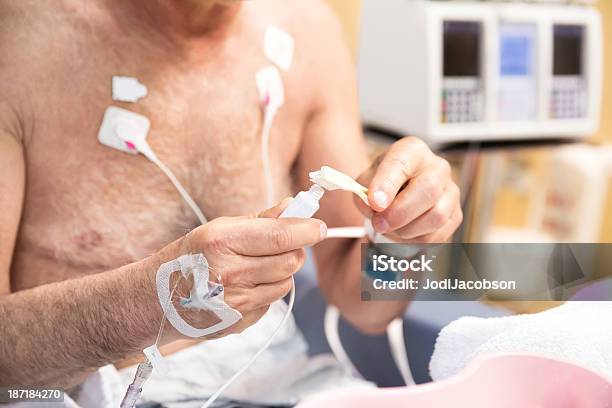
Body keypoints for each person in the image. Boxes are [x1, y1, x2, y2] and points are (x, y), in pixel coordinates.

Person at [0, 0, 462, 403]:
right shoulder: (21, 42)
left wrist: (406, 238)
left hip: (277, 383)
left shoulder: (307, 35)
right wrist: (151, 304)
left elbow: (365, 304)